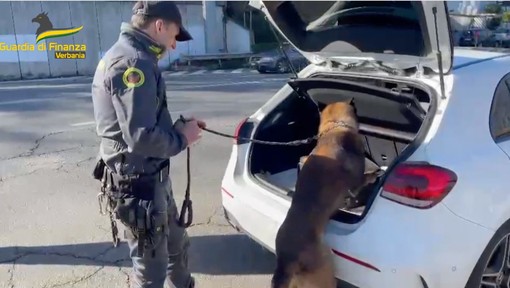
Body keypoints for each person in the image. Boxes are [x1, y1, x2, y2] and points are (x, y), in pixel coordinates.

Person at [90, 1, 204, 287]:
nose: (174, 46)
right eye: (174, 36)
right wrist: (182, 138)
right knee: (151, 272)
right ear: (159, 26)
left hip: (152, 179)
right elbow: (140, 136)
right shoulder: (134, 62)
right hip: (139, 185)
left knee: (177, 248)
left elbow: (142, 123)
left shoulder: (133, 55)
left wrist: (177, 127)